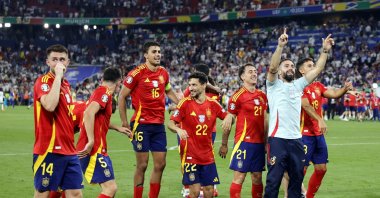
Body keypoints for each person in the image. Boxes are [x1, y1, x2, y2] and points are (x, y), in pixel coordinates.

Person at [264, 29, 334, 198]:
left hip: (296, 140)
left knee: (296, 179)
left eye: (292, 66)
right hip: (278, 139)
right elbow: (272, 67)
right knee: (273, 180)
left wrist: (324, 50)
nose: (290, 68)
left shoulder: (299, 85)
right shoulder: (273, 86)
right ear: (280, 71)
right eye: (286, 65)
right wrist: (280, 46)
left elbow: (317, 69)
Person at [282, 57, 353, 198]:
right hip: (303, 134)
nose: (313, 68)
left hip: (318, 135)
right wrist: (320, 119)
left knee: (321, 169)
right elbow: (306, 105)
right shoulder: (297, 85)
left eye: (314, 65)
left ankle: (308, 196)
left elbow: (333, 94)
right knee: (299, 170)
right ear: (301, 71)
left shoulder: (318, 86)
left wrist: (344, 89)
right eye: (309, 66)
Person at [118, 41, 179, 198]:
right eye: (154, 51)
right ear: (146, 55)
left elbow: (169, 91)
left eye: (159, 51)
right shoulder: (136, 73)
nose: (158, 54)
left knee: (161, 164)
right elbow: (122, 96)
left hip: (158, 125)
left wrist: (182, 104)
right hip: (141, 125)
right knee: (142, 164)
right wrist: (124, 122)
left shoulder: (163, 73)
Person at [167, 72, 233, 198]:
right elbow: (170, 124)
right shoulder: (184, 104)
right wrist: (178, 129)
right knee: (195, 191)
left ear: (203, 85)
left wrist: (229, 117)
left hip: (208, 155)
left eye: (194, 85)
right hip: (190, 155)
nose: (190, 88)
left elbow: (228, 115)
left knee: (209, 190)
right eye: (189, 85)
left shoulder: (213, 105)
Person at [32, 44, 83, 198]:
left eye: (62, 59)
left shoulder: (66, 86)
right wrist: (58, 76)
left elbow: (66, 117)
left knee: (75, 193)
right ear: (48, 62)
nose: (59, 63)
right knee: (43, 194)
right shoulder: (44, 81)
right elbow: (49, 105)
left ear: (68, 62)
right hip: (50, 149)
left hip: (69, 149)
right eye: (54, 59)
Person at [76, 67, 131, 198]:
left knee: (110, 190)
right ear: (119, 82)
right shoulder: (104, 93)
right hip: (93, 150)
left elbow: (98, 119)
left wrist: (117, 127)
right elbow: (88, 113)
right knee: (110, 188)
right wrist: (91, 140)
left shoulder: (101, 92)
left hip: (98, 149)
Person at [218, 63, 268, 198]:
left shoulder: (262, 95)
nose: (254, 74)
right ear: (242, 76)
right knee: (239, 176)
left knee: (257, 177)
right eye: (250, 72)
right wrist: (224, 144)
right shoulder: (237, 96)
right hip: (243, 142)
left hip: (259, 143)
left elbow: (265, 120)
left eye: (255, 71)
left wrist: (266, 142)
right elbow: (228, 121)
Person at [180, 63, 221, 197]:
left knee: (198, 156)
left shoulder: (211, 93)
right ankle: (193, 186)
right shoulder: (213, 91)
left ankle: (192, 187)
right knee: (198, 156)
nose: (192, 86)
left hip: (200, 129)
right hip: (203, 129)